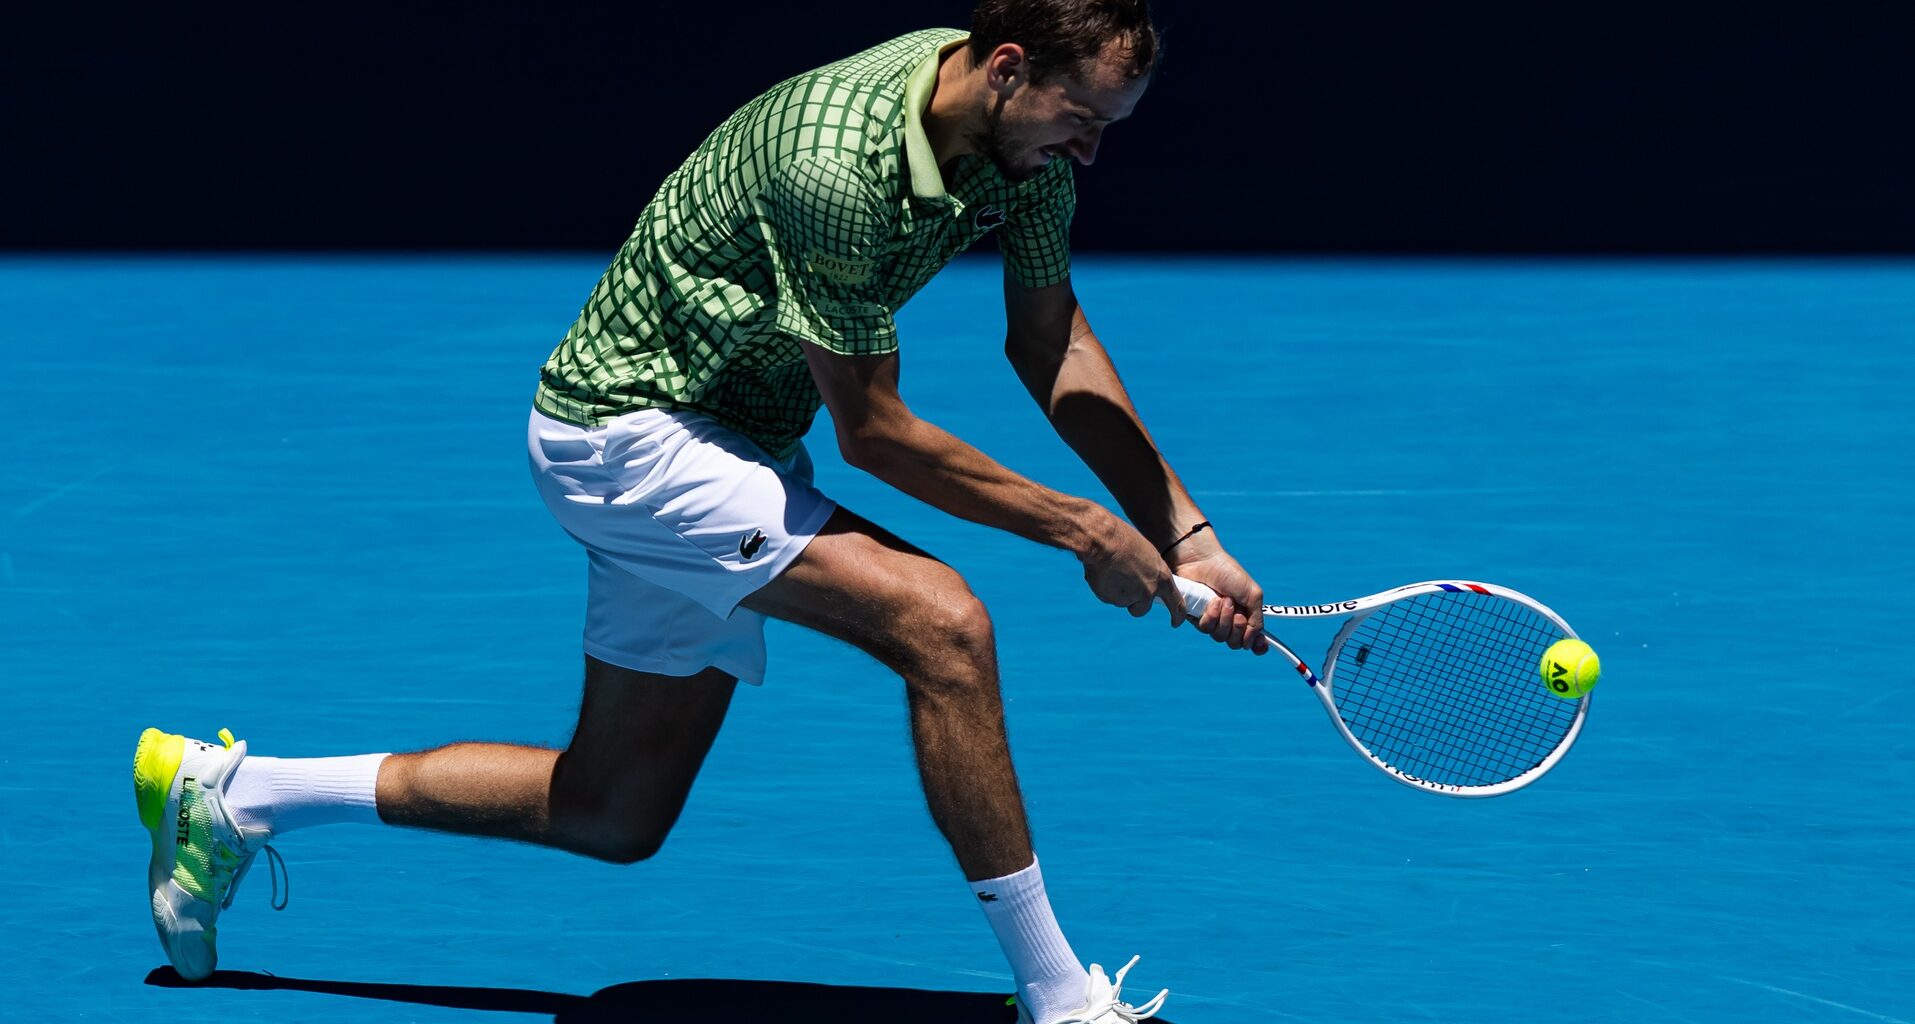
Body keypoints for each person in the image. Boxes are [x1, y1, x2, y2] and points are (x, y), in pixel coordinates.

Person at [133, 2, 1268, 1021]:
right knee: (944, 624)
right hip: (627, 434)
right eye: (1081, 116)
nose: (1091, 148)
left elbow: (1051, 341)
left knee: (610, 810)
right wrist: (1080, 527)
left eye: (1110, 123)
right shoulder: (842, 162)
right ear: (1008, 68)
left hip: (725, 441)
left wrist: (1183, 534)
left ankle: (235, 794)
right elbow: (873, 433)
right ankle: (1058, 998)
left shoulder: (1031, 159)